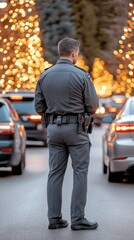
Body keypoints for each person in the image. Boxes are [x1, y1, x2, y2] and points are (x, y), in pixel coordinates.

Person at [34, 37, 99, 231]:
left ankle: (54, 219)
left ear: (59, 52)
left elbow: (39, 106)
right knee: (80, 173)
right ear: (73, 53)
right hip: (76, 130)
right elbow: (94, 106)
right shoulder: (82, 75)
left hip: (53, 130)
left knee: (55, 173)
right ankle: (78, 219)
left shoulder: (44, 76)